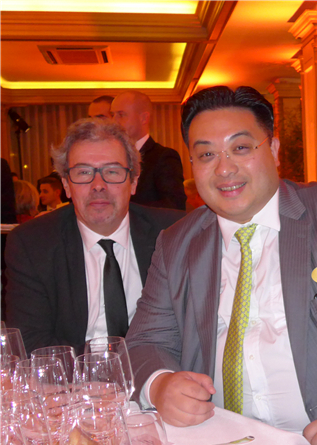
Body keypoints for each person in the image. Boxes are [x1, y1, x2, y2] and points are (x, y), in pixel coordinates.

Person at [125, 86, 317, 445]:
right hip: (218, 437)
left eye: (241, 148)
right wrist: (160, 384)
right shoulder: (176, 243)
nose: (224, 168)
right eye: (206, 154)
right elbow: (145, 340)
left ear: (273, 150)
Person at [4, 118, 184, 355]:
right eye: (83, 172)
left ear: (133, 182)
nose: (98, 185)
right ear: (66, 185)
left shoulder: (175, 232)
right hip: (75, 375)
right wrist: (101, 369)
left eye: (112, 171)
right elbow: (31, 342)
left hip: (159, 369)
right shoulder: (32, 244)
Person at [111, 90, 186, 210]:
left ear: (143, 118)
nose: (114, 121)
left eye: (121, 114)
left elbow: (174, 205)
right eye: (112, 115)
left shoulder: (163, 157)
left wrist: (125, 209)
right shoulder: (111, 157)